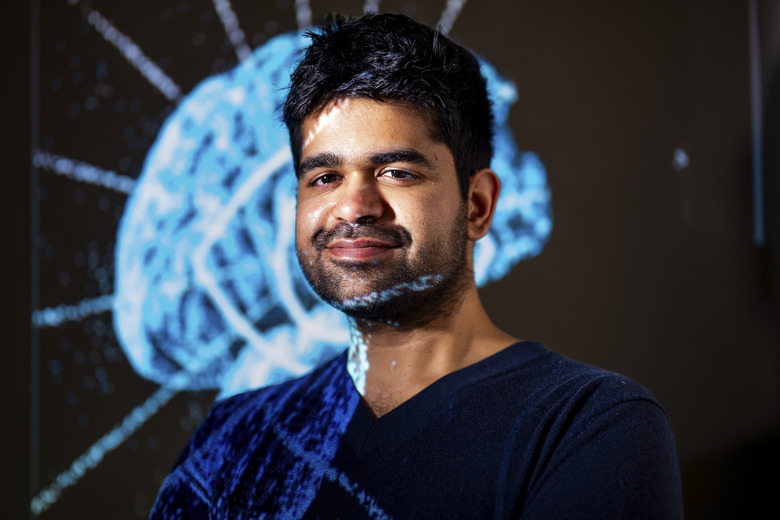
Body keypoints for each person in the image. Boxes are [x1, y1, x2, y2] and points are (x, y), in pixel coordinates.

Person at [150, 13, 683, 519]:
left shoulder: (587, 424)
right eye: (324, 177)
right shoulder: (230, 441)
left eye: (397, 171)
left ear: (477, 205)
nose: (355, 206)